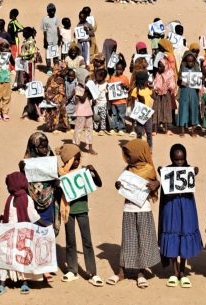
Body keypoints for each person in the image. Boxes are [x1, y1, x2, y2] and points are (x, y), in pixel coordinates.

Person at [109, 140, 160, 288]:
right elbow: (121, 183)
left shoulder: (149, 169)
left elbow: (155, 184)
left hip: (143, 210)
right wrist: (117, 184)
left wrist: (156, 184)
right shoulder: (128, 169)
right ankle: (121, 272)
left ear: (139, 153)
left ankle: (141, 272)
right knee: (128, 240)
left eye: (129, 154)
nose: (126, 158)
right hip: (129, 209)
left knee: (142, 241)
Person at [58, 144, 103, 286]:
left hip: (82, 210)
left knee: (87, 241)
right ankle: (72, 270)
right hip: (68, 211)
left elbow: (99, 183)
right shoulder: (60, 174)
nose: (77, 161)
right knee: (70, 241)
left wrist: (93, 171)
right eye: (73, 159)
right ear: (67, 160)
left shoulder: (83, 171)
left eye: (78, 158)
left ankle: (92, 272)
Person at [159, 144, 202, 288]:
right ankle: (174, 271)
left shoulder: (188, 171)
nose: (179, 162)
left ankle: (182, 271)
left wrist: (194, 173)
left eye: (182, 160)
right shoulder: (167, 171)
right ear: (172, 158)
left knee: (185, 233)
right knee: (172, 234)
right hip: (171, 207)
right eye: (176, 160)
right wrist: (162, 173)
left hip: (187, 207)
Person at [0, 172, 41, 294]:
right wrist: (1, 218)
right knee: (5, 256)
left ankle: (24, 282)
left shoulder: (27, 199)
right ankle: (2, 282)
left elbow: (33, 216)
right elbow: (9, 214)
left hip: (22, 235)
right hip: (9, 234)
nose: (7, 188)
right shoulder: (10, 198)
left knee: (23, 257)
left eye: (8, 185)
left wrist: (46, 225)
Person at [176, 52, 202, 135]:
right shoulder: (183, 69)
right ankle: (182, 130)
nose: (190, 63)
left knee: (194, 110)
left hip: (194, 93)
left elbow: (200, 82)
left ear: (194, 61)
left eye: (191, 61)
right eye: (188, 61)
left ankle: (193, 130)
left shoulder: (197, 70)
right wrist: (181, 80)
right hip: (184, 91)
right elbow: (178, 82)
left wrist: (201, 79)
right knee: (183, 109)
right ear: (185, 61)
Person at [152, 58, 177, 135]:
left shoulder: (170, 73)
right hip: (157, 95)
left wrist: (168, 86)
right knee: (156, 110)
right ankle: (155, 130)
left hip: (166, 95)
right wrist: (155, 87)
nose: (159, 68)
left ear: (165, 66)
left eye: (161, 66)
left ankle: (166, 129)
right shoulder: (158, 74)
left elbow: (172, 84)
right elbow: (155, 83)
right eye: (158, 66)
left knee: (166, 111)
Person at [130, 71, 155, 148]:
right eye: (146, 80)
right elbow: (133, 101)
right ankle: (139, 147)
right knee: (139, 132)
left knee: (149, 131)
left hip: (148, 114)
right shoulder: (136, 90)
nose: (147, 81)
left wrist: (152, 88)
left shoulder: (149, 89)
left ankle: (149, 147)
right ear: (142, 81)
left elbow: (153, 97)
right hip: (140, 115)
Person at [0, 39, 14, 121]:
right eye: (4, 48)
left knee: (7, 96)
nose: (6, 50)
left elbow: (13, 62)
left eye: (7, 48)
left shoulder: (9, 55)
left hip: (7, 77)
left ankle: (5, 113)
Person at [72, 86, 95, 153]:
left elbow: (91, 98)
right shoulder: (77, 88)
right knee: (78, 130)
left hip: (88, 111)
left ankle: (90, 147)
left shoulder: (87, 89)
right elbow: (82, 99)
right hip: (80, 112)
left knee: (89, 130)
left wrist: (91, 91)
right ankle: (76, 147)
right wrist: (86, 91)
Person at [41, 4, 59, 71]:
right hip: (48, 41)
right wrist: (45, 41)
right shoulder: (45, 19)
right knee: (48, 56)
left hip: (55, 41)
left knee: (55, 55)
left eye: (53, 11)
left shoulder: (56, 18)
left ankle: (56, 68)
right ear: (47, 11)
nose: (52, 12)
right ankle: (48, 68)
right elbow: (44, 32)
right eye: (51, 11)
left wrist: (59, 38)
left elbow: (58, 29)